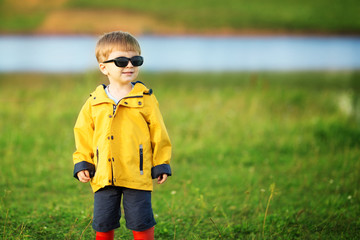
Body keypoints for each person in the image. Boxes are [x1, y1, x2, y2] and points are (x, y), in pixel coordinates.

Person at [72, 31, 172, 240]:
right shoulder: (94, 101)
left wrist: (161, 163)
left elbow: (159, 132)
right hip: (103, 174)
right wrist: (83, 162)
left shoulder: (145, 99)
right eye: (121, 61)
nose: (129, 65)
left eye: (136, 60)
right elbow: (83, 133)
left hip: (137, 172)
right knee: (103, 221)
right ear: (104, 67)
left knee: (141, 220)